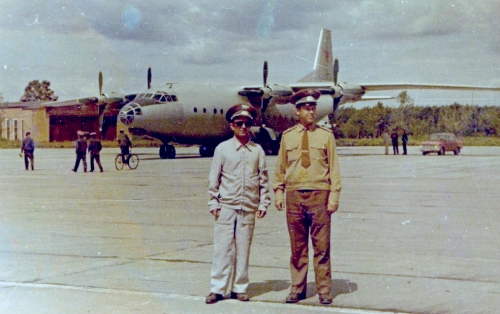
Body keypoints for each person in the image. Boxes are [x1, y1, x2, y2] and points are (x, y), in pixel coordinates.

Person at [274, 89, 341, 305]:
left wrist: (334, 196)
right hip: (294, 197)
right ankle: (297, 289)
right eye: (307, 107)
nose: (312, 111)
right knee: (297, 247)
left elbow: (334, 169)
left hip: (319, 195)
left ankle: (323, 290)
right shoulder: (287, 137)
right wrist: (278, 191)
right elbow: (280, 168)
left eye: (313, 107)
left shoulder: (325, 136)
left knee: (322, 247)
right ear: (298, 111)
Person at [205, 104, 271, 304]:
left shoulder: (257, 150)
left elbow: (263, 180)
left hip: (248, 208)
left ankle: (239, 288)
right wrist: (213, 203)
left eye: (247, 123)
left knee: (243, 250)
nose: (243, 127)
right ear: (232, 126)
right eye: (239, 123)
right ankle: (217, 288)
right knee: (222, 249)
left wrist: (263, 204)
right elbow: (213, 179)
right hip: (226, 208)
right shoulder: (222, 149)